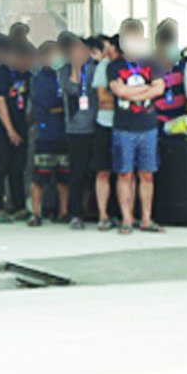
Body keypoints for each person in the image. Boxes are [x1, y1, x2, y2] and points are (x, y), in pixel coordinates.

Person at [108, 19, 165, 234]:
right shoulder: (115, 66)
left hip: (148, 126)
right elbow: (119, 91)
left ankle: (146, 219)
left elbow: (159, 89)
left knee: (147, 174)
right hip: (124, 127)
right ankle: (127, 218)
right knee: (125, 174)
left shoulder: (152, 63)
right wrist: (145, 89)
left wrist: (132, 93)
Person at [0, 38, 31, 221]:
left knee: (17, 168)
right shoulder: (0, 73)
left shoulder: (26, 75)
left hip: (20, 125)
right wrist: (10, 130)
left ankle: (19, 206)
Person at [59, 32, 98, 228]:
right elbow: (73, 90)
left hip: (95, 126)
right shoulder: (64, 71)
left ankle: (94, 209)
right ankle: (76, 213)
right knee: (77, 173)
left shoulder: (94, 68)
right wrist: (76, 66)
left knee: (96, 172)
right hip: (76, 129)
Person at [28, 40, 68, 225]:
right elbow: (49, 104)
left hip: (64, 132)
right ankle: (36, 213)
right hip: (45, 133)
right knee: (40, 176)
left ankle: (63, 212)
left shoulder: (66, 75)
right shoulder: (39, 79)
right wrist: (64, 107)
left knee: (63, 176)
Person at [89, 34, 119, 228]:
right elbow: (102, 100)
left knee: (124, 173)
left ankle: (123, 214)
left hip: (126, 125)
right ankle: (103, 214)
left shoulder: (134, 66)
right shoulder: (104, 66)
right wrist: (129, 98)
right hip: (104, 124)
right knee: (103, 171)